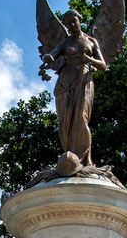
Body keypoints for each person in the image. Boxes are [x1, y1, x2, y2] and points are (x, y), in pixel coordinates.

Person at [41, 10, 108, 166]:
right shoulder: (65, 43)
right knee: (65, 121)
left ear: (79, 20)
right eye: (68, 23)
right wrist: (48, 57)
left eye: (74, 21)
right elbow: (52, 54)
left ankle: (86, 159)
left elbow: (103, 65)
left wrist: (88, 59)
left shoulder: (91, 41)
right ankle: (69, 157)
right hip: (65, 81)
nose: (71, 25)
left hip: (84, 79)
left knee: (81, 117)